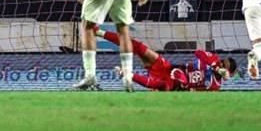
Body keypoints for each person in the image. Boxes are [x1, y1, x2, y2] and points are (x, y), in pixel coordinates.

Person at [97, 28, 237, 91]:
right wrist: (215, 66)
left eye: (224, 66)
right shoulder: (213, 60)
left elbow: (195, 95)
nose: (221, 64)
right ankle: (99, 32)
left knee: (162, 85)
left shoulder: (214, 86)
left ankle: (127, 75)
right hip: (168, 68)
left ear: (228, 74)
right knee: (140, 47)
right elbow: (198, 53)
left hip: (175, 84)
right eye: (222, 62)